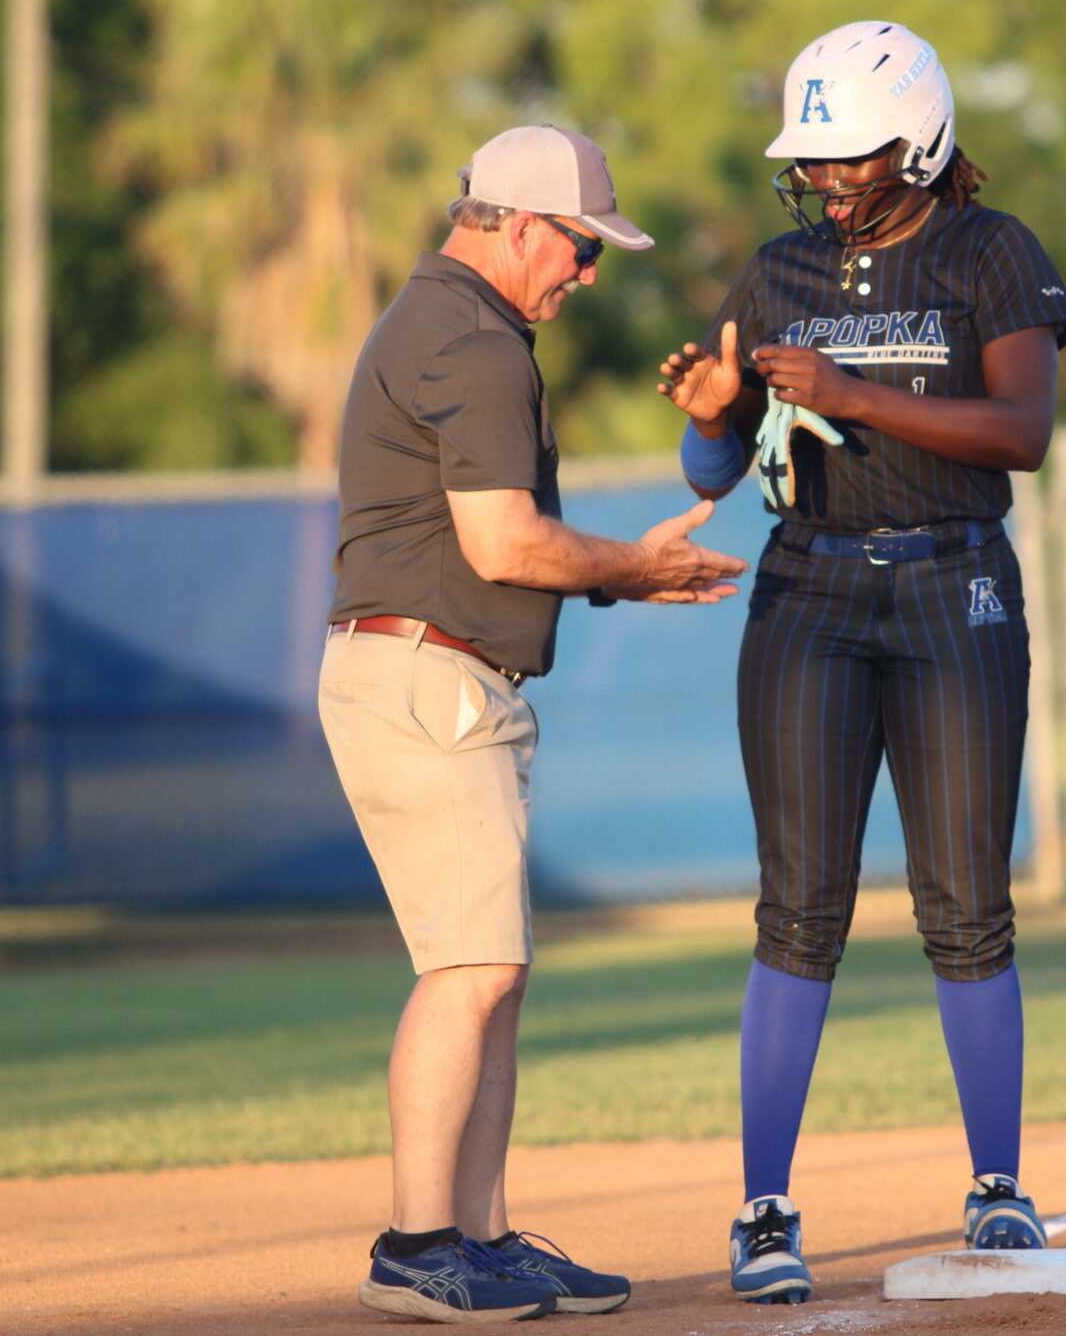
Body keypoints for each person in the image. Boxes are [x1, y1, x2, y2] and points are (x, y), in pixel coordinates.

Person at [656, 21, 1066, 1304]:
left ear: (923, 137)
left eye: (854, 153)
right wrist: (708, 425)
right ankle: (764, 1208)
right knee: (799, 906)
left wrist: (850, 391)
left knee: (963, 902)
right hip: (810, 594)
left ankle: (998, 1187)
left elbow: (1020, 433)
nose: (831, 177)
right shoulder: (777, 271)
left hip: (953, 587)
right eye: (818, 156)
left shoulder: (989, 251)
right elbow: (720, 471)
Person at [320, 123, 747, 1324]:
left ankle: (483, 1238)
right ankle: (417, 1246)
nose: (589, 269)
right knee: (469, 971)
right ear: (517, 226)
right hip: (425, 677)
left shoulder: (450, 323)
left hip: (432, 674)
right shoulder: (468, 337)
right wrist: (635, 569)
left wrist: (616, 572)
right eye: (580, 242)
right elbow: (500, 543)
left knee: (491, 975)